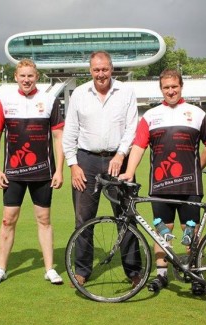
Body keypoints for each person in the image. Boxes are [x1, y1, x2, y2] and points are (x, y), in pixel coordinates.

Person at [119, 69, 206, 294]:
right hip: (161, 185)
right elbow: (139, 146)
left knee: (191, 231)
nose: (171, 91)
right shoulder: (151, 116)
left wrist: (196, 169)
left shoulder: (197, 113)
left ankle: (194, 273)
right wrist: (129, 172)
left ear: (181, 87)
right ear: (161, 89)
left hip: (190, 185)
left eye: (174, 86)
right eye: (166, 87)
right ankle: (161, 275)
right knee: (162, 231)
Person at [62, 50, 142, 287]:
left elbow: (131, 128)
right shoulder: (79, 93)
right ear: (90, 70)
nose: (101, 74)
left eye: (104, 69)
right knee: (84, 219)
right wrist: (73, 165)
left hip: (119, 161)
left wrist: (120, 154)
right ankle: (82, 270)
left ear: (111, 68)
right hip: (86, 161)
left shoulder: (126, 92)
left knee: (126, 217)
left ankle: (133, 270)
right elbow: (71, 132)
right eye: (96, 70)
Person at [0, 59, 65, 285]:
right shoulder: (5, 101)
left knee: (44, 219)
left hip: (43, 172)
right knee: (7, 219)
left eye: (30, 76)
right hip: (13, 174)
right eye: (22, 76)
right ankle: (1, 268)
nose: (26, 80)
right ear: (16, 77)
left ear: (36, 77)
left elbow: (59, 137)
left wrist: (59, 170)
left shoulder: (49, 100)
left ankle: (50, 269)